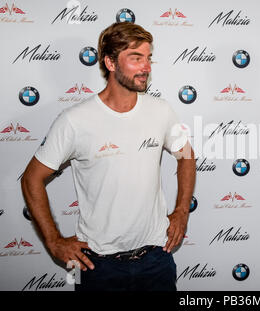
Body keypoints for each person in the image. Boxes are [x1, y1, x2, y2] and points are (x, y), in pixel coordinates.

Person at [20, 22, 196, 291]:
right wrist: (54, 241)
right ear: (110, 63)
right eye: (136, 58)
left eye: (148, 58)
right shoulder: (75, 121)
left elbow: (186, 156)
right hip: (98, 268)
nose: (146, 67)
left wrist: (182, 211)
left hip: (156, 260)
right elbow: (31, 179)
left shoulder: (161, 111)